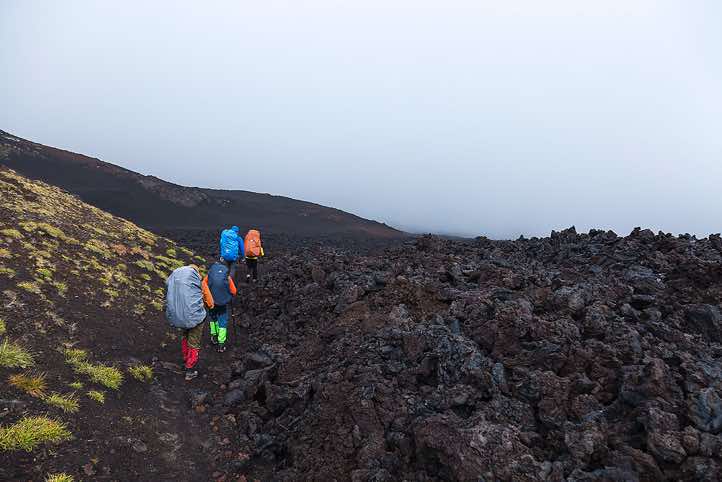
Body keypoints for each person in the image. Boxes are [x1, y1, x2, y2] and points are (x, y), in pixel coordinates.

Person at [165, 265, 211, 381]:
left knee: (185, 336)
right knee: (194, 342)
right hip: (195, 317)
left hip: (179, 316)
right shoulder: (198, 281)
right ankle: (190, 369)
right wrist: (210, 305)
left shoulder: (176, 282)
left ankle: (185, 359)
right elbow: (208, 299)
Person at [202, 260, 237, 352]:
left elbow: (203, 287)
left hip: (211, 302)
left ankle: (214, 336)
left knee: (213, 318)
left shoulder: (208, 276)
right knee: (223, 322)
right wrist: (228, 296)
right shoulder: (226, 277)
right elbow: (234, 291)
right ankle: (221, 344)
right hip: (222, 303)